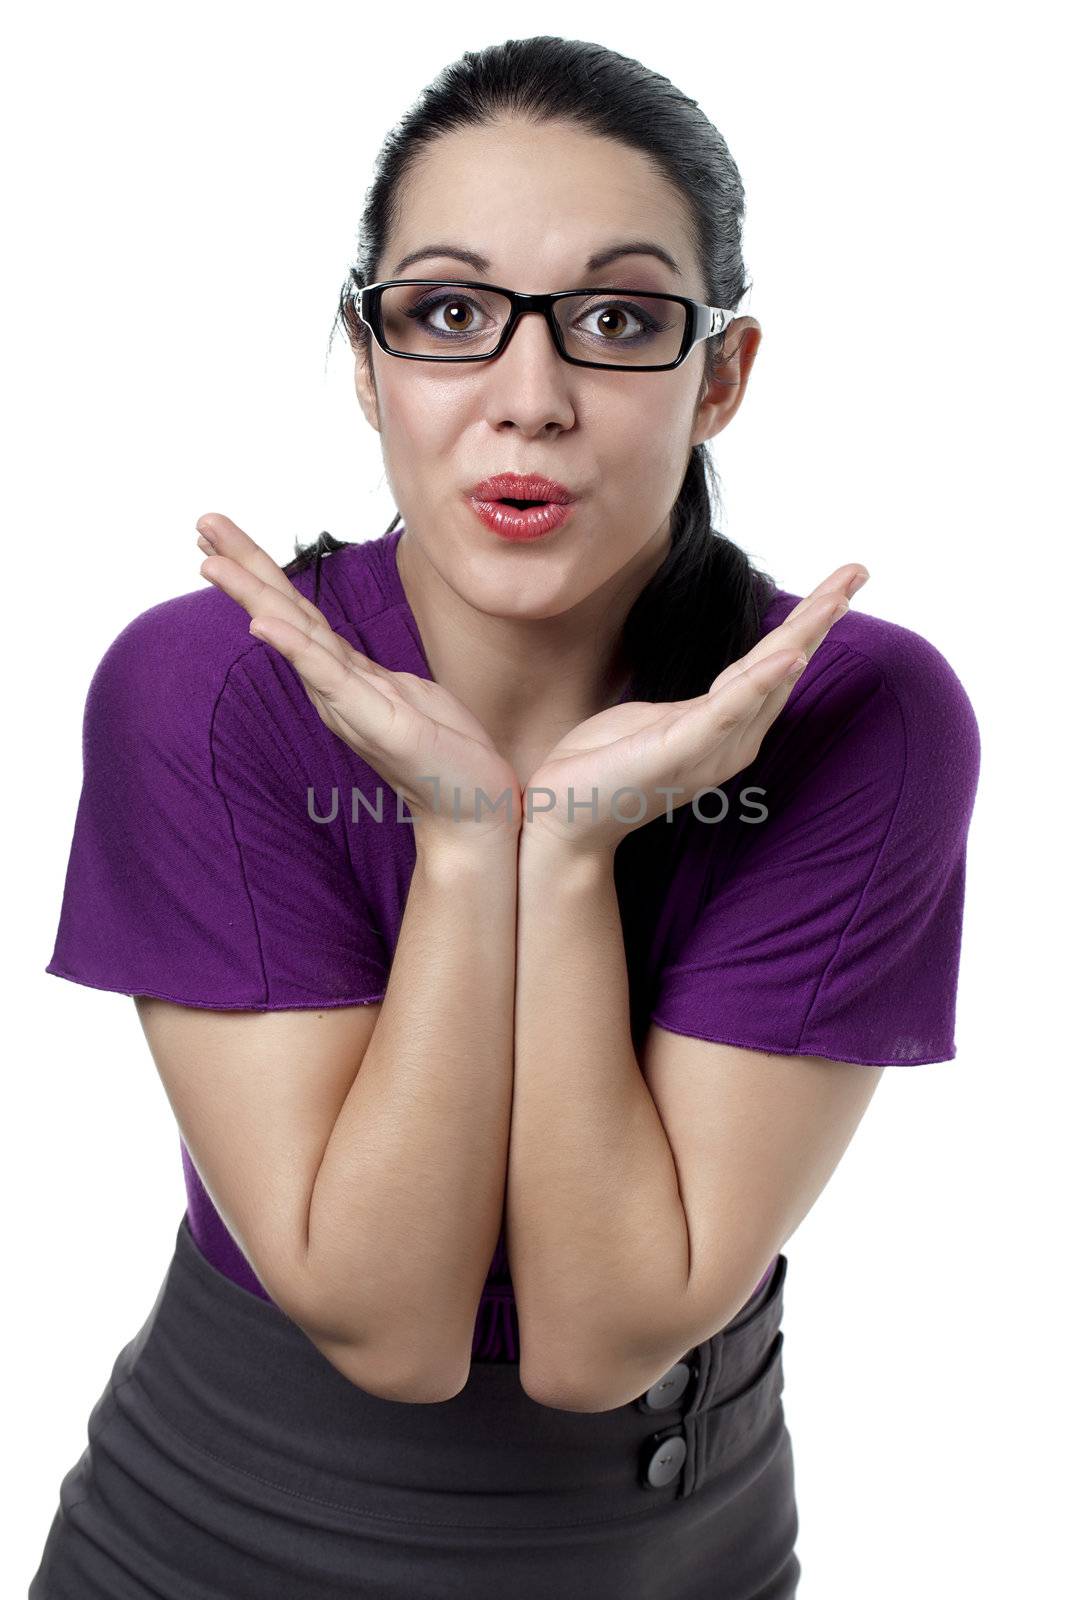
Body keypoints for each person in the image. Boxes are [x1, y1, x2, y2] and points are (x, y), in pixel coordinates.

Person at [29, 34, 981, 1600]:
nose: (526, 401)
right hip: (217, 1550)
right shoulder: (204, 689)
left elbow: (605, 1334)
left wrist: (569, 853)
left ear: (720, 374)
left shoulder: (853, 718)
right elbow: (389, 1326)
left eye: (615, 321)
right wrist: (472, 842)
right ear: (369, 359)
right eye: (452, 316)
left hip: (679, 1550)